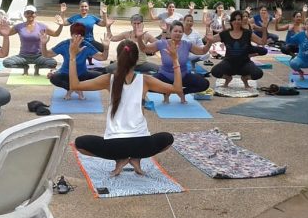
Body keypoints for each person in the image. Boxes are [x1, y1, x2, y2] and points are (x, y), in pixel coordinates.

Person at [70, 37, 180, 176]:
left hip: (114, 146)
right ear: (136, 60)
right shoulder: (146, 80)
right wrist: (175, 60)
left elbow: (75, 85)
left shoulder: (108, 79)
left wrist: (73, 57)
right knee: (168, 139)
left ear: (118, 58)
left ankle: (121, 158)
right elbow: (177, 89)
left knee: (80, 143)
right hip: (142, 145)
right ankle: (135, 158)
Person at [138, 20, 211, 103]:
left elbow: (203, 51)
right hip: (164, 76)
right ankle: (166, 91)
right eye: (175, 31)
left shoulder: (187, 44)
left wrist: (209, 42)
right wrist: (139, 38)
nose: (178, 33)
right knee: (146, 84)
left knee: (204, 84)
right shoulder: (161, 43)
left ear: (183, 33)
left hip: (182, 76)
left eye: (180, 32)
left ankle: (182, 92)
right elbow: (144, 48)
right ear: (170, 31)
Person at [41, 23, 110, 100]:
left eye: (81, 36)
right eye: (75, 35)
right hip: (65, 75)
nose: (78, 38)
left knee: (105, 77)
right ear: (71, 35)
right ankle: (75, 88)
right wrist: (43, 44)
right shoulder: (64, 45)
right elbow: (46, 54)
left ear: (84, 36)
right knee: (54, 78)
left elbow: (103, 57)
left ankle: (76, 87)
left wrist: (106, 48)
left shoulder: (86, 45)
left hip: (82, 75)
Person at [211, 10, 268, 88]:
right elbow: (209, 39)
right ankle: (228, 78)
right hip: (229, 63)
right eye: (234, 19)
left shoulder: (248, 33)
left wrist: (264, 29)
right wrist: (208, 27)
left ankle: (245, 78)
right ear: (231, 21)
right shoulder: (225, 34)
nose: (236, 22)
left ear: (241, 21)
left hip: (244, 64)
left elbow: (262, 42)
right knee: (215, 71)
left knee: (258, 73)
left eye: (239, 19)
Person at [3, 5, 61, 75]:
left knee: (52, 63)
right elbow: (6, 33)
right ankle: (25, 67)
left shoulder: (41, 26)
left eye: (32, 13)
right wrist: (0, 26)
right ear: (24, 14)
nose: (30, 15)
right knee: (7, 63)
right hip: (23, 56)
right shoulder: (19, 26)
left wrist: (61, 25)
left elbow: (56, 34)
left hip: (39, 56)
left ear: (35, 14)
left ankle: (37, 67)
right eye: (28, 13)